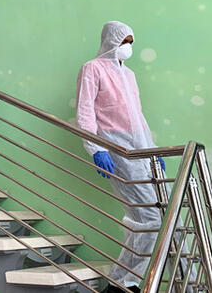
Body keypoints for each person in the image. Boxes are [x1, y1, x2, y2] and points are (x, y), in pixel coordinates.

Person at [76, 21, 181, 293]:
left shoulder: (130, 74)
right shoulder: (93, 69)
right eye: (124, 41)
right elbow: (85, 112)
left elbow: (137, 116)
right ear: (111, 40)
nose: (128, 47)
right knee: (149, 220)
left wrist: (153, 149)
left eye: (131, 42)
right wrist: (96, 148)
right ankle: (122, 282)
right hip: (117, 150)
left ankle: (177, 282)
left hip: (143, 150)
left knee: (168, 217)